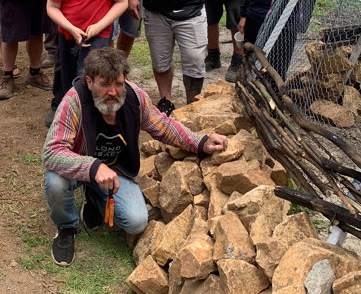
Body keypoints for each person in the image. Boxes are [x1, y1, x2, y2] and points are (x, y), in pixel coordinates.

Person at [42, 47, 228, 266]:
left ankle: (93, 198)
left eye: (118, 84)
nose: (113, 92)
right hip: (77, 166)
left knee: (136, 221)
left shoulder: (134, 97)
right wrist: (92, 167)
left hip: (115, 170)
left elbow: (163, 126)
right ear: (90, 82)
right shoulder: (74, 101)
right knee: (55, 181)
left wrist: (200, 142)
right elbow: (52, 152)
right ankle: (66, 227)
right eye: (105, 84)